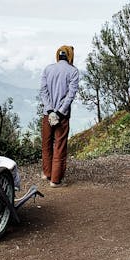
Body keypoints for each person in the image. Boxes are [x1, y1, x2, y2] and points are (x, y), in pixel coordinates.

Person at [39, 45, 79, 187]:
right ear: (70, 55)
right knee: (60, 146)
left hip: (47, 115)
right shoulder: (73, 71)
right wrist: (60, 112)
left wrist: (50, 111)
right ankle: (55, 180)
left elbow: (43, 91)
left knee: (46, 144)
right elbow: (71, 95)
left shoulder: (47, 69)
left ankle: (47, 173)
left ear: (58, 55)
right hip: (63, 116)